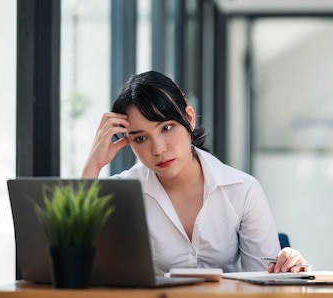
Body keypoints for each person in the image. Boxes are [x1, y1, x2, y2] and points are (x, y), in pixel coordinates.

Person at [82, 70, 309, 274]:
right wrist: (94, 164)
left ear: (189, 118)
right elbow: (72, 257)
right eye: (140, 138)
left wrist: (286, 266)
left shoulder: (243, 190)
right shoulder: (123, 193)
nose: (158, 149)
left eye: (167, 128)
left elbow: (263, 283)